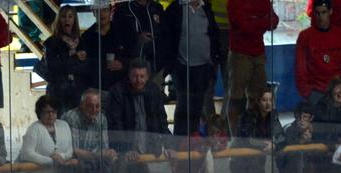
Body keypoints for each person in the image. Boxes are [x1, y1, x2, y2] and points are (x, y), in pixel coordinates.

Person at [107, 58, 170, 173]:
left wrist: (169, 145)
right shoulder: (117, 92)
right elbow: (115, 125)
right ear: (129, 75)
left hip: (144, 156)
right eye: (135, 76)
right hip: (123, 157)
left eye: (142, 76)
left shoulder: (153, 91)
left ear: (147, 77)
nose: (138, 80)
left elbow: (161, 121)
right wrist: (125, 149)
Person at [162, 0, 224, 136]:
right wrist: (171, 63)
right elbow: (167, 36)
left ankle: (197, 141)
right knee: (183, 106)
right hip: (182, 67)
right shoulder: (175, 8)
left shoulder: (206, 8)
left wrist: (213, 60)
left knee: (199, 107)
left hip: (204, 67)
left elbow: (213, 34)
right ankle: (180, 143)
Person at [17, 95, 76, 173]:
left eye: (54, 111)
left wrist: (61, 157)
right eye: (47, 112)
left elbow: (70, 150)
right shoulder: (34, 128)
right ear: (40, 113)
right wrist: (50, 160)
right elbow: (26, 153)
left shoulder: (64, 125)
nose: (51, 115)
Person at [226, 0, 279, 138]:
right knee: (235, 97)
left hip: (258, 52)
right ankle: (235, 137)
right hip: (240, 53)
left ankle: (253, 133)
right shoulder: (234, 2)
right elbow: (244, 27)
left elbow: (274, 21)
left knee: (257, 97)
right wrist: (262, 21)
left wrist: (255, 21)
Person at [64, 89, 118, 173]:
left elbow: (104, 147)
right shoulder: (72, 118)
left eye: (97, 106)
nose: (94, 110)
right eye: (90, 106)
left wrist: (109, 153)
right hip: (73, 171)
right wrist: (99, 155)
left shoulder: (101, 118)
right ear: (82, 105)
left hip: (93, 170)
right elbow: (74, 150)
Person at [230, 86, 286, 173]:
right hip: (241, 163)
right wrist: (267, 144)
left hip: (258, 164)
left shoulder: (273, 116)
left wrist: (274, 144)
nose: (268, 103)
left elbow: (281, 137)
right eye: (264, 100)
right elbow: (248, 139)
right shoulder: (248, 115)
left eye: (270, 100)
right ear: (258, 101)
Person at [295, 0, 341, 105]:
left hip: (337, 91)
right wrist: (307, 93)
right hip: (315, 92)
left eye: (324, 12)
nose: (321, 16)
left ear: (330, 11)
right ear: (314, 13)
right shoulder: (305, 37)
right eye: (317, 13)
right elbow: (300, 69)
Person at [42, 5, 89, 112]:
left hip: (77, 88)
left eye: (70, 16)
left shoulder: (81, 42)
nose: (67, 19)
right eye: (63, 16)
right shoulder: (51, 42)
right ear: (59, 19)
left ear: (74, 20)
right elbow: (52, 66)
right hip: (57, 89)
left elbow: (86, 68)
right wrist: (75, 58)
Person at [112, 0, 168, 84]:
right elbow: (116, 36)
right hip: (131, 67)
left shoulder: (157, 7)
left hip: (156, 66)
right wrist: (136, 37)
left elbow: (165, 34)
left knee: (153, 94)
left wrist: (166, 63)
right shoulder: (122, 9)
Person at [80, 4, 130, 92]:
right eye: (98, 11)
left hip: (120, 89)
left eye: (105, 10)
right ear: (93, 12)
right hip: (95, 89)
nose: (101, 14)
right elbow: (83, 65)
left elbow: (131, 56)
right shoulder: (86, 37)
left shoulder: (122, 33)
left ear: (111, 11)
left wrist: (122, 64)